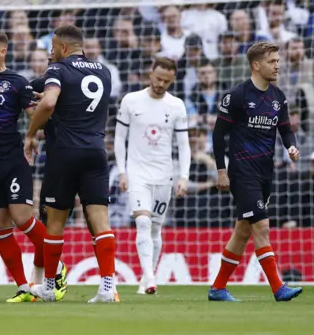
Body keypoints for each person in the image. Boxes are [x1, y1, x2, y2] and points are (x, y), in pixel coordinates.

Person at [0, 31, 63, 302]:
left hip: (12, 161)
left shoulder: (18, 83)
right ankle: (23, 285)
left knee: (22, 218)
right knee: (0, 227)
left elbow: (37, 115)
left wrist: (44, 115)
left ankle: (58, 265)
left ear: (2, 52)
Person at [24, 25, 116, 303]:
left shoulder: (58, 70)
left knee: (55, 221)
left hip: (64, 154)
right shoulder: (104, 71)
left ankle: (50, 287)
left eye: (52, 48)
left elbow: (50, 102)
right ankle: (108, 288)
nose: (51, 53)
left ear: (63, 48)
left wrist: (30, 135)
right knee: (100, 220)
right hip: (96, 153)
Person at [209, 41, 303, 302]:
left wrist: (292, 147)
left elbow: (285, 129)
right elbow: (218, 135)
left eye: (278, 60)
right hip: (242, 171)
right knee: (261, 226)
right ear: (256, 65)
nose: (277, 65)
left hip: (265, 173)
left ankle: (217, 288)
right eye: (272, 61)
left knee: (243, 231)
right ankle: (278, 288)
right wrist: (221, 170)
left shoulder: (278, 97)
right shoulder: (237, 95)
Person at [114, 57, 191, 295]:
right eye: (158, 78)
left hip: (164, 176)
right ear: (151, 73)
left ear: (172, 80)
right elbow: (119, 138)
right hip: (138, 173)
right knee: (143, 222)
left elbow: (184, 144)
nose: (161, 84)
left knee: (155, 228)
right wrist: (122, 171)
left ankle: (148, 276)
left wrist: (184, 176)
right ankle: (149, 278)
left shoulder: (176, 105)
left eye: (166, 81)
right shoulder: (131, 100)